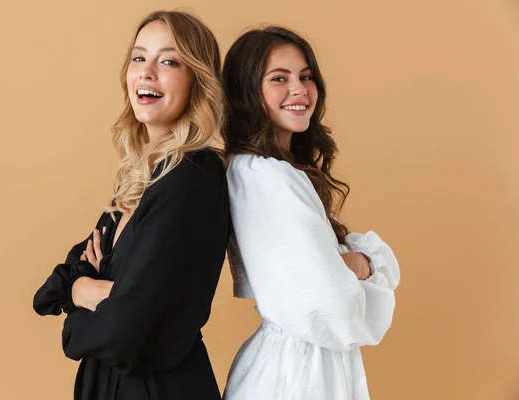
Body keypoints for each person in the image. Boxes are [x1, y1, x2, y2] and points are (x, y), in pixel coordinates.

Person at [33, 10, 229, 400]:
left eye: (169, 61)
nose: (147, 72)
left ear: (197, 81)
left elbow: (128, 329)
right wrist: (87, 289)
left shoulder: (193, 177)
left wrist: (80, 300)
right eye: (139, 58)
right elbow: (52, 290)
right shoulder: (137, 179)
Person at [221, 26, 401, 400]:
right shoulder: (271, 177)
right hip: (301, 373)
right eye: (279, 79)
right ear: (246, 92)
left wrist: (344, 262)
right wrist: (363, 261)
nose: (300, 90)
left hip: (286, 364)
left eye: (306, 77)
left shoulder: (248, 169)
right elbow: (337, 309)